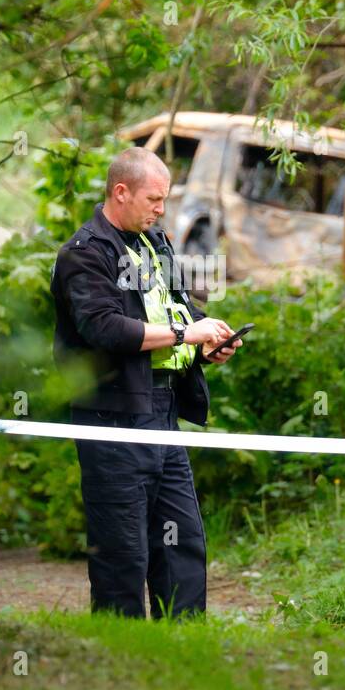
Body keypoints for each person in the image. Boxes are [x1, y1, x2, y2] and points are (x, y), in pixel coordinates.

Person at [50, 146, 240, 619]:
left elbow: (178, 311)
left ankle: (186, 643)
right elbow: (105, 328)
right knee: (122, 548)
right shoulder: (83, 254)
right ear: (121, 191)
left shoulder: (155, 243)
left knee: (182, 541)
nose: (161, 209)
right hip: (111, 417)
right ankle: (120, 648)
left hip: (163, 412)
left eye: (164, 199)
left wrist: (206, 341)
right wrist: (183, 333)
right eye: (154, 199)